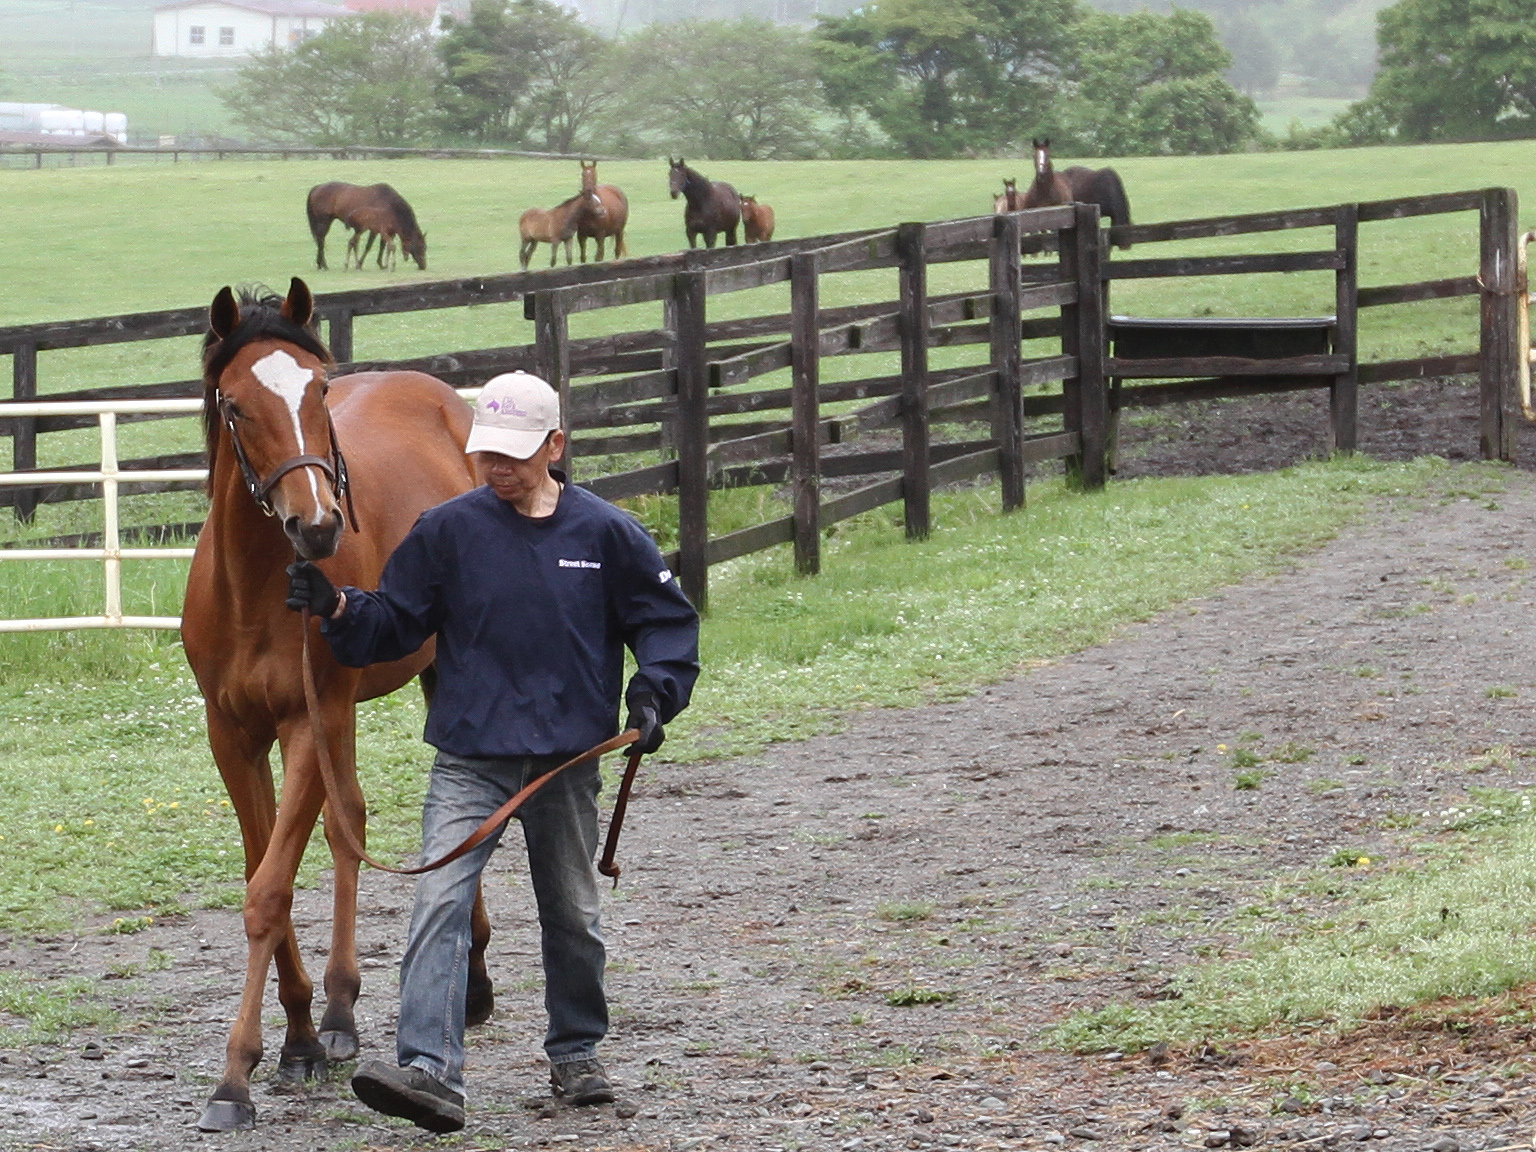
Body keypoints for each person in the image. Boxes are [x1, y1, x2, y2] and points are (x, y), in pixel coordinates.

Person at [285, 371, 700, 1133]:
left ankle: (577, 1054)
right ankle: (429, 1072)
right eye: (487, 455)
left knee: (571, 911)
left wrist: (654, 696)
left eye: (513, 455)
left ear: (555, 446)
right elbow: (398, 621)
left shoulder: (607, 533)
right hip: (471, 759)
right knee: (438, 903)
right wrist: (341, 607)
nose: (496, 469)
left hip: (569, 760)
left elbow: (666, 624)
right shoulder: (449, 530)